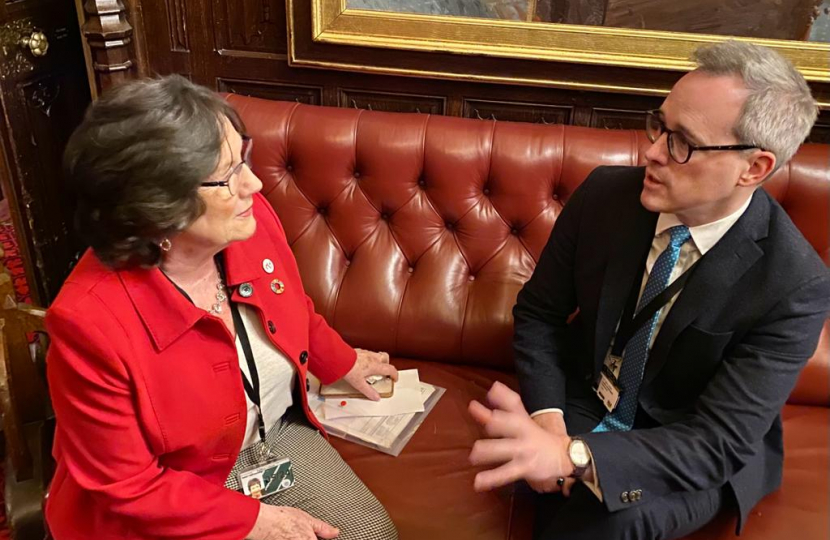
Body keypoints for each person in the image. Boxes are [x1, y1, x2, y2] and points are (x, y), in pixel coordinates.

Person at [468, 40, 830, 540]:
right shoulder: (604, 197)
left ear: (754, 168)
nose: (652, 151)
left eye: (681, 142)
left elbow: (718, 442)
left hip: (685, 443)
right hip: (586, 400)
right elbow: (539, 314)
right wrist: (549, 422)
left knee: (612, 522)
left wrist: (576, 456)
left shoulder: (794, 284)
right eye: (659, 125)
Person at [46, 75, 399, 540]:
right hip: (173, 487)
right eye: (227, 176)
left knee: (372, 535)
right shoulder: (87, 324)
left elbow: (295, 308)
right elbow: (129, 487)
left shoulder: (246, 222)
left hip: (270, 439)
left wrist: (344, 363)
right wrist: (257, 522)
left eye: (243, 159)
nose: (252, 183)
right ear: (158, 209)